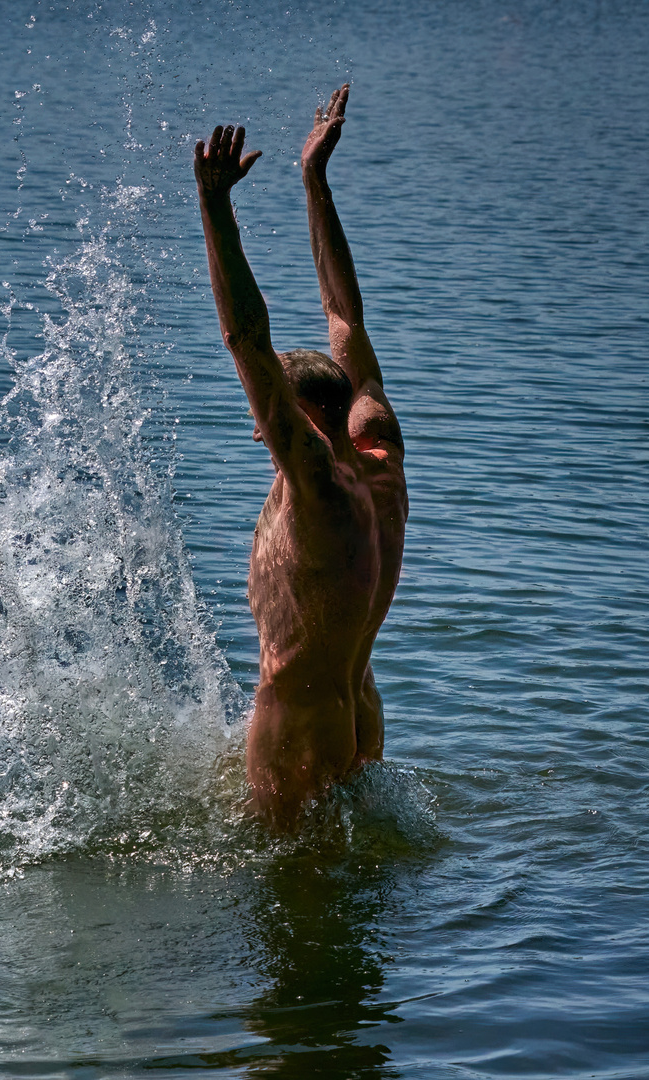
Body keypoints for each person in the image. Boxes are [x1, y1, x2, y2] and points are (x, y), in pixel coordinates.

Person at [194, 84, 408, 829]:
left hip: (300, 737)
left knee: (283, 923)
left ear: (301, 417)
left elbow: (245, 341)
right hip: (360, 715)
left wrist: (216, 210)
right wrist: (315, 183)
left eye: (270, 415)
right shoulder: (378, 446)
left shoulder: (314, 481)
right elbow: (343, 313)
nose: (259, 430)